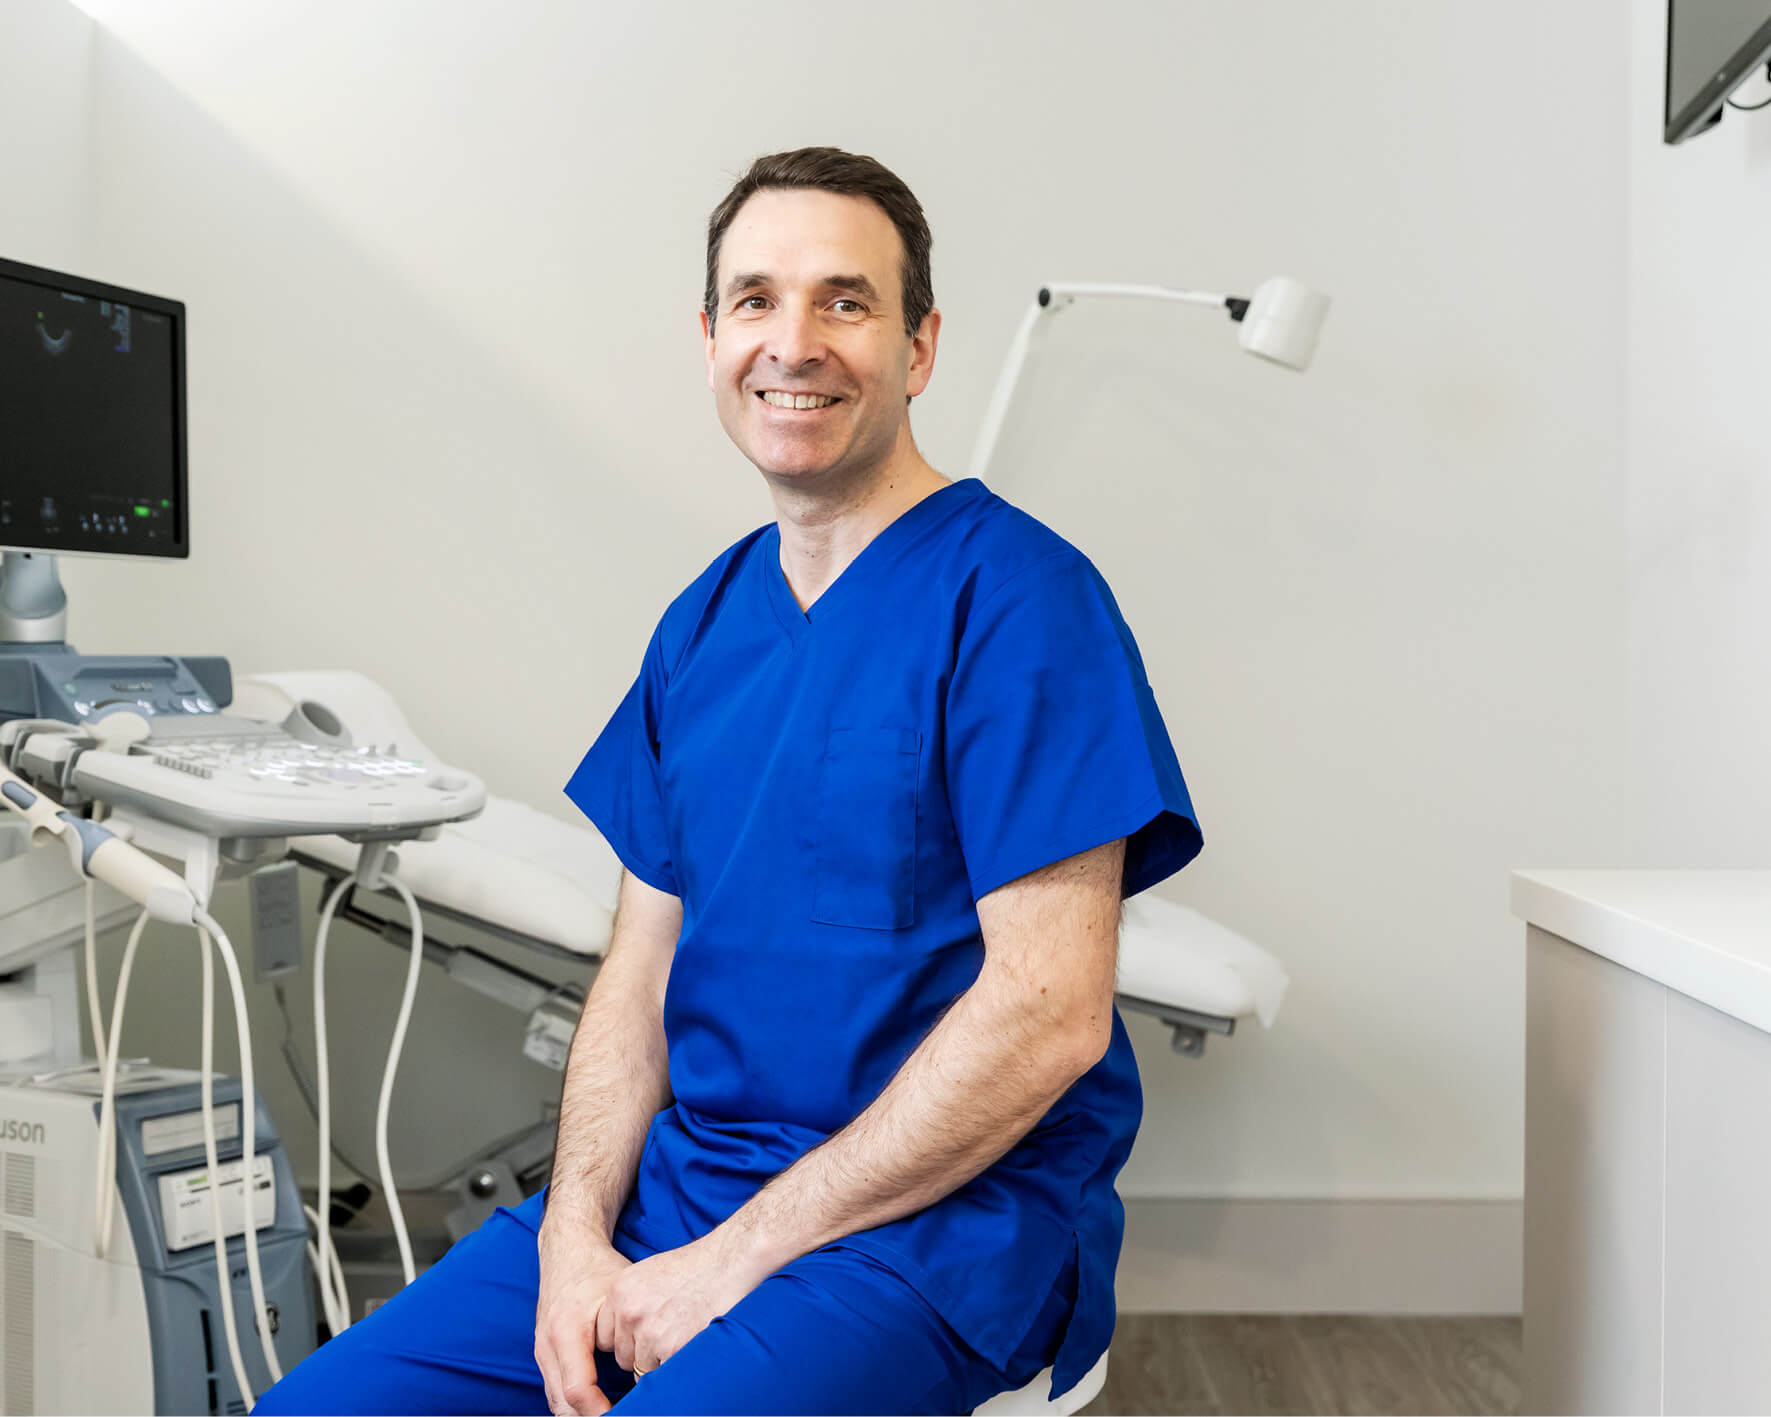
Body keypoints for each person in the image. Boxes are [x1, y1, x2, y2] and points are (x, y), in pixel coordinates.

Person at [255, 145, 1202, 1417]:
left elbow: (1051, 1012)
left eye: (845, 302)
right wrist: (577, 1234)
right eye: (755, 300)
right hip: (674, 1198)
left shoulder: (1021, 601)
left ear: (919, 348)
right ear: (711, 340)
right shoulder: (700, 629)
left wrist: (737, 1261)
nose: (792, 341)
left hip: (926, 1239)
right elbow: (637, 973)